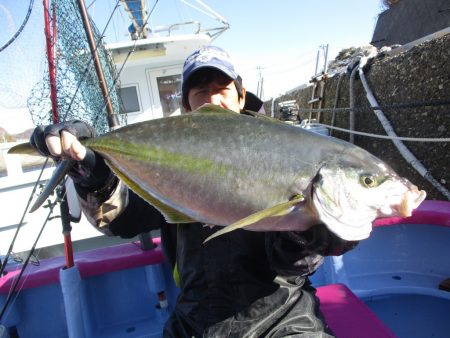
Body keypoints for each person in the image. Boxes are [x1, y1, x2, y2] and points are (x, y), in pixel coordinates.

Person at [30, 46, 358, 337]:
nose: (212, 99)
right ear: (187, 105)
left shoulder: (279, 150)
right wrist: (92, 171)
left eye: (223, 89)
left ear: (242, 96)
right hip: (194, 321)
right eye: (201, 91)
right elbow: (122, 219)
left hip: (281, 318)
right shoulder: (169, 159)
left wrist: (310, 236)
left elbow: (290, 266)